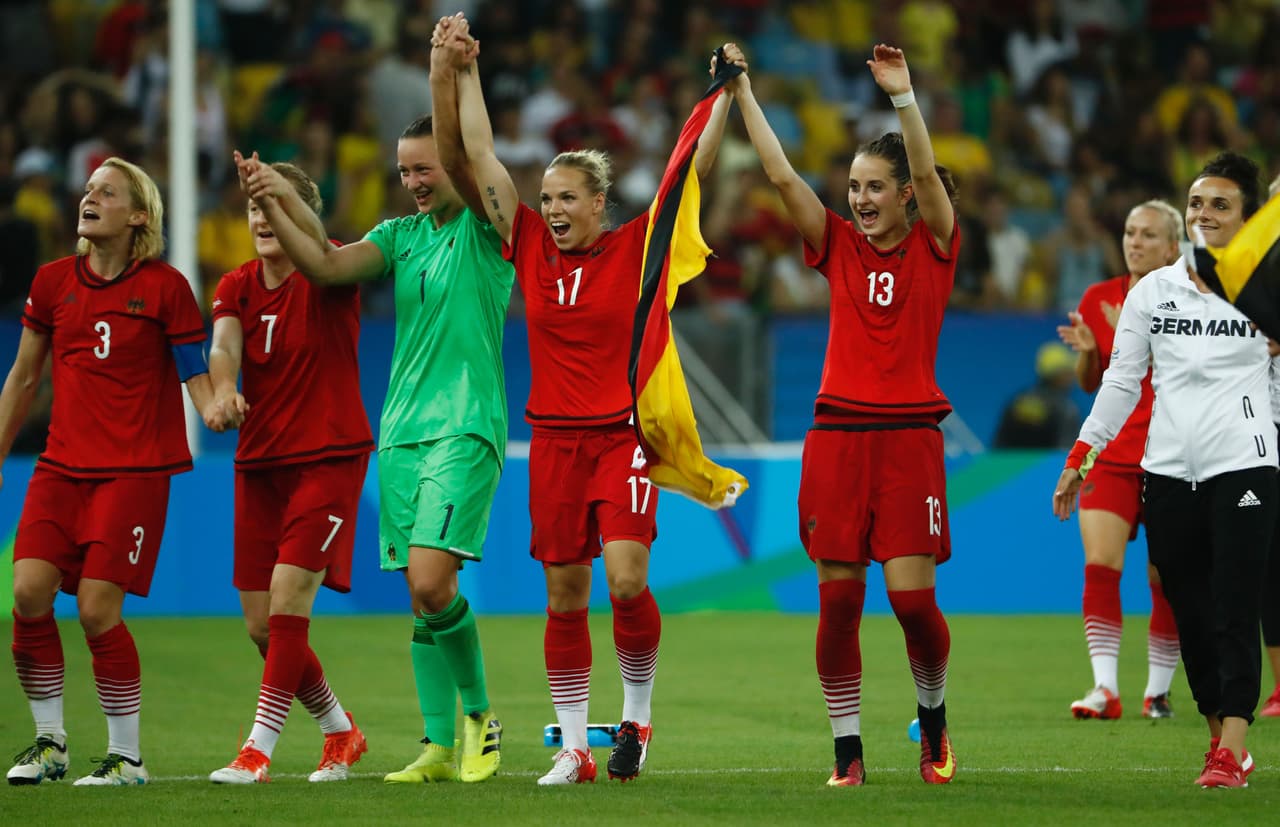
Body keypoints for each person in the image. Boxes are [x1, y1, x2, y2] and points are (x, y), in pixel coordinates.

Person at [436, 14, 733, 786]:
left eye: (568, 197)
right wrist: (465, 70)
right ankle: (574, 746)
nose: (554, 208)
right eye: (547, 197)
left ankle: (636, 715)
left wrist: (724, 90)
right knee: (564, 595)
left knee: (628, 580)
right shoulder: (527, 241)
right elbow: (477, 156)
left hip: (619, 439)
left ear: (599, 201)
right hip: (555, 444)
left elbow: (694, 166)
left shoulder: (637, 250)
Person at [238, 92, 514, 784]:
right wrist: (271, 201)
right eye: (403, 172)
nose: (415, 182)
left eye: (425, 168)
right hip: (401, 435)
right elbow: (325, 268)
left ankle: (480, 716)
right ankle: (438, 747)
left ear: (452, 167)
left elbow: (477, 151)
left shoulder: (485, 230)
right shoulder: (397, 238)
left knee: (432, 577)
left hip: (466, 423)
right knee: (420, 597)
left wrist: (453, 69)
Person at [726, 42, 959, 787]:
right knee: (839, 602)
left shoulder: (936, 245)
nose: (859, 199)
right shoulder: (834, 246)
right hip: (836, 440)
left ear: (905, 196)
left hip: (909, 440)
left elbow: (927, 169)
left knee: (913, 602)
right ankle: (847, 753)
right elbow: (779, 174)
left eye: (874, 188)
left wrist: (903, 97)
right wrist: (743, 92)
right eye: (854, 187)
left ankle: (933, 716)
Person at [1053, 152, 1272, 789]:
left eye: (1221, 205)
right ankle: (1218, 733)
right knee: (1190, 604)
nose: (1205, 214)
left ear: (1248, 218)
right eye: (1198, 203)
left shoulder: (1265, 292)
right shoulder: (1154, 291)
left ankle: (1230, 747)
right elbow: (1120, 384)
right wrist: (1080, 458)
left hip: (1246, 465)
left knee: (1235, 603)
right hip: (1168, 472)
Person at [2, 157, 223, 786]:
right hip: (59, 468)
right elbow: (23, 376)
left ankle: (127, 758)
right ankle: (50, 744)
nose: (90, 196)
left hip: (134, 472)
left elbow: (194, 373)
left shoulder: (165, 287)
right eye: (89, 188)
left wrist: (215, 409)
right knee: (27, 594)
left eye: (108, 191)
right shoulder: (50, 283)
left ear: (138, 216)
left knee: (98, 609)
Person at [204, 160, 376, 784]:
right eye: (253, 209)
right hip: (260, 461)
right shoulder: (237, 284)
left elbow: (314, 235)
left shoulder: (332, 271)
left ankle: (256, 751)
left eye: (273, 206)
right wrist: (223, 391)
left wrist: (285, 200)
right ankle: (340, 730)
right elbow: (223, 346)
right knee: (261, 626)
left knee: (287, 602)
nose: (260, 219)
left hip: (328, 456)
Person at [1054, 199, 1185, 721]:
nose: (1135, 242)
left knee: (1166, 577)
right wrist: (1090, 349)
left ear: (1174, 247)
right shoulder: (1099, 297)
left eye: (1149, 235)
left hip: (1172, 454)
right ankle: (1104, 688)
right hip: (1111, 454)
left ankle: (1158, 692)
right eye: (1131, 232)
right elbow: (1094, 384)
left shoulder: (1190, 299)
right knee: (1100, 567)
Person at [992, 342, 1080, 449]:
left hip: (1010, 465)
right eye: (1068, 372)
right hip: (1052, 465)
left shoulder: (1017, 402)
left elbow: (997, 448)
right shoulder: (1066, 409)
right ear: (1058, 375)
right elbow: (1066, 453)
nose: (1073, 377)